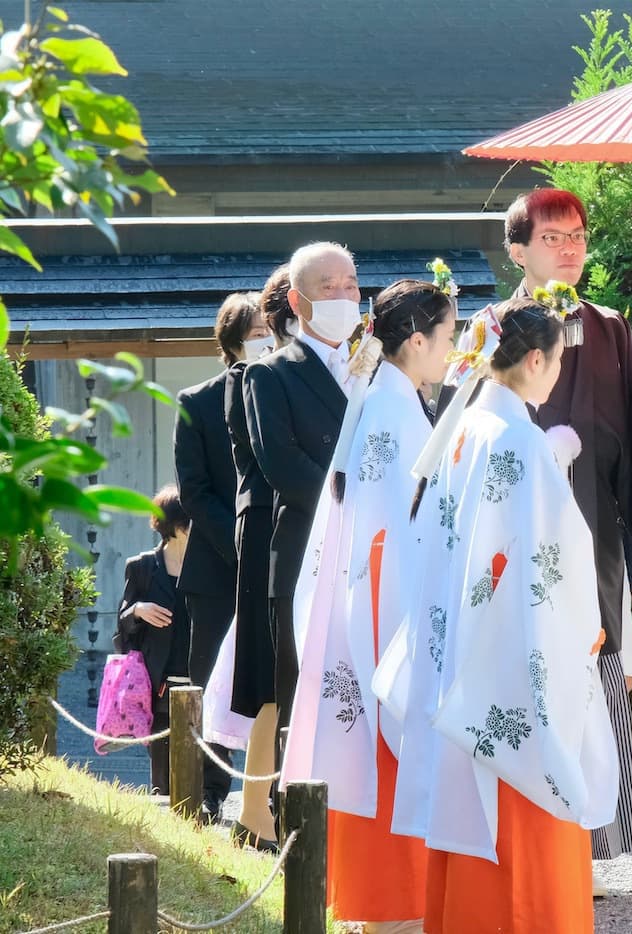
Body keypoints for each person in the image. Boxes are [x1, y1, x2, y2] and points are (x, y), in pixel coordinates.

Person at [479, 189, 632, 869]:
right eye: (552, 237)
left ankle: (588, 847)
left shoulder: (610, 328)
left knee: (593, 664)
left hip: (593, 536)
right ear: (517, 249)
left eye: (577, 235)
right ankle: (520, 843)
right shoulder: (491, 328)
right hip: (515, 537)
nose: (570, 248)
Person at [377, 297, 619, 933]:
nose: (558, 373)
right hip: (511, 654)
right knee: (524, 813)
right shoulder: (519, 440)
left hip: (460, 645)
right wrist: (578, 633)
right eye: (558, 361)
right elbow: (546, 563)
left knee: (469, 825)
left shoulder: (464, 429)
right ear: (535, 360)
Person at [283, 279, 454, 931]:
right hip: (388, 606)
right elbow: (391, 530)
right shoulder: (391, 408)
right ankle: (390, 908)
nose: (453, 348)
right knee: (386, 765)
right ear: (416, 341)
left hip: (383, 595)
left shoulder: (389, 397)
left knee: (374, 768)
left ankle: (388, 906)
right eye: (447, 334)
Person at [244, 243, 358, 775]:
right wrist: (355, 503)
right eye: (328, 288)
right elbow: (282, 464)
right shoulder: (270, 374)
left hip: (368, 556)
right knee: (304, 693)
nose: (343, 296)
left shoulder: (378, 367)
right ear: (298, 300)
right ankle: (297, 826)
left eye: (351, 285)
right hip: (306, 549)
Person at [173, 291, 269, 825]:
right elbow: (194, 490)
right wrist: (238, 542)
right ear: (231, 341)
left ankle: (272, 791)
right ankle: (206, 791)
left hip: (275, 563)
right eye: (255, 332)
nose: (265, 340)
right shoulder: (196, 400)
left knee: (273, 678)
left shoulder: (278, 388)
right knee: (210, 680)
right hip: (216, 570)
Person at [226, 265, 293, 851]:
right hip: (270, 540)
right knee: (271, 681)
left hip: (282, 537)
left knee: (277, 682)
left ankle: (260, 809)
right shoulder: (256, 376)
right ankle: (256, 811)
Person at [116, 485, 193, 796]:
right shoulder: (142, 567)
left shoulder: (209, 567)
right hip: (156, 682)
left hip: (200, 677)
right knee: (163, 774)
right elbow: (121, 623)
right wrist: (138, 609)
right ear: (175, 525)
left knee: (203, 764)